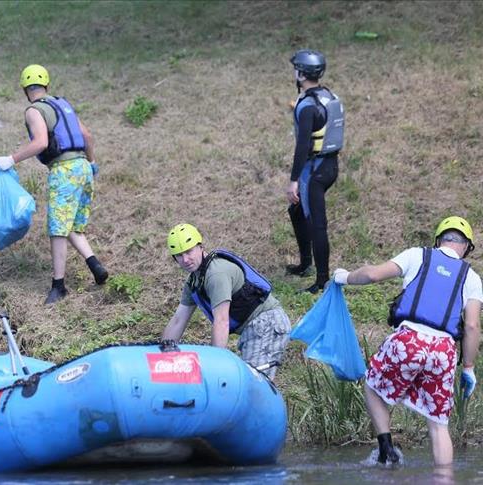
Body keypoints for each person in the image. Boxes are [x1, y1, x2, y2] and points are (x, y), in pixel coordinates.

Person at [333, 216, 481, 466]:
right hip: (443, 351)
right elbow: (472, 325)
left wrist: (344, 277)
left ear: (438, 241)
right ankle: (444, 479)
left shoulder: (417, 255)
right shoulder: (472, 278)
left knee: (371, 385)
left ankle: (386, 449)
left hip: (409, 340)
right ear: (466, 247)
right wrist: (468, 367)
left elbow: (372, 275)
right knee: (438, 424)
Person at [0, 64, 108, 304]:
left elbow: (42, 142)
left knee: (57, 228)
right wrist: (92, 161)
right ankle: (96, 267)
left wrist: (11, 159)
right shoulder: (63, 104)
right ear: (47, 85)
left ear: (25, 88)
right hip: (84, 168)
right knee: (72, 225)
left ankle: (59, 286)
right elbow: (87, 135)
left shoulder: (34, 111)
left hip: (64, 170)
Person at [160, 224, 291, 379]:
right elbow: (178, 320)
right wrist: (161, 355)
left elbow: (221, 321)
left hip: (268, 324)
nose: (185, 259)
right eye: (179, 255)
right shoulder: (194, 281)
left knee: (254, 385)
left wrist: (216, 365)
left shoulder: (216, 274)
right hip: (252, 329)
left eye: (189, 251)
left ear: (200, 247)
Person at [285, 49, 344, 293]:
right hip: (330, 166)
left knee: (317, 224)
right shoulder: (328, 95)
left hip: (315, 171)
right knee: (296, 210)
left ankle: (321, 281)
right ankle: (305, 263)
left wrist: (294, 180)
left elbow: (303, 147)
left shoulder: (308, 106)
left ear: (301, 73)